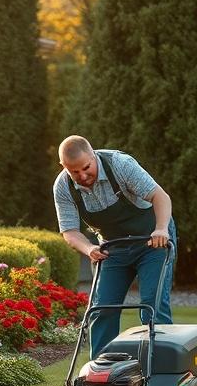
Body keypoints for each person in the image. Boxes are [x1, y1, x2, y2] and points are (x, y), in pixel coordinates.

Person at [53, 135, 176, 358]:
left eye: (86, 167)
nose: (82, 176)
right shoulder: (63, 187)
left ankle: (158, 367)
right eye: (74, 172)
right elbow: (70, 231)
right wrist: (89, 249)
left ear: (93, 155)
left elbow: (161, 197)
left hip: (151, 241)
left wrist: (161, 229)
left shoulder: (119, 165)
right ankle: (101, 373)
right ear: (64, 168)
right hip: (112, 249)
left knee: (152, 304)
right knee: (102, 308)